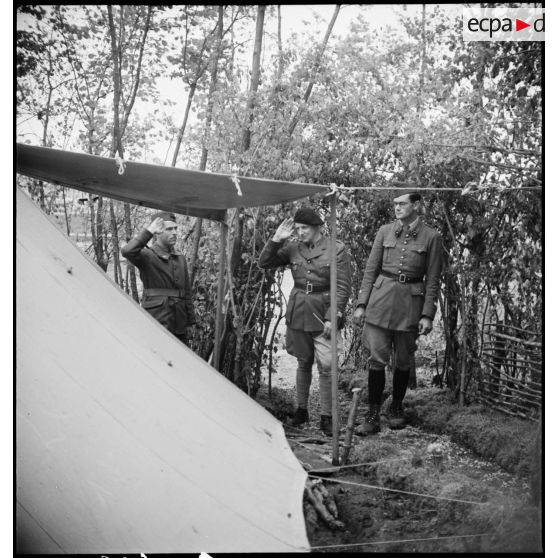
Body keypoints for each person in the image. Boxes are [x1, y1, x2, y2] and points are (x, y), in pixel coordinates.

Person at [353, 192, 442, 434]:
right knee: (376, 360)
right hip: (380, 303)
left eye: (402, 203)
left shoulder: (431, 237)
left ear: (416, 205)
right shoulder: (384, 231)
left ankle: (396, 408)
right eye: (395, 204)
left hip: (410, 307)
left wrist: (427, 314)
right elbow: (371, 270)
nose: (397, 208)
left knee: (403, 361)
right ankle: (372, 415)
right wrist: (362, 304)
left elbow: (433, 280)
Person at [259, 207, 351, 436]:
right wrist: (275, 240)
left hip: (323, 311)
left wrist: (333, 317)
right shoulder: (292, 248)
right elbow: (264, 262)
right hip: (299, 311)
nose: (300, 233)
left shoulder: (336, 249)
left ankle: (327, 416)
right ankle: (302, 410)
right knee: (303, 362)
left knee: (328, 366)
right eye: (297, 229)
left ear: (317, 227)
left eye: (304, 228)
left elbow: (342, 287)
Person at [121, 211, 196, 345]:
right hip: (157, 319)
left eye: (175, 228)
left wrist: (191, 322)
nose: (174, 233)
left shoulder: (180, 258)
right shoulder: (146, 255)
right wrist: (148, 231)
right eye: (169, 229)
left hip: (179, 322)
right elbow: (127, 251)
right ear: (157, 232)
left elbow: (187, 293)